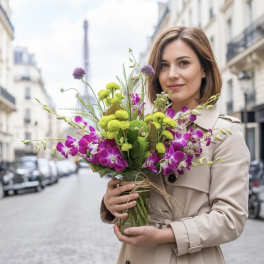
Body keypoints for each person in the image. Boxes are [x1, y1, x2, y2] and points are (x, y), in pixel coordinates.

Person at [100, 26, 250, 264]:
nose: (171, 74)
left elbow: (230, 218)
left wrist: (165, 235)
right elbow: (131, 187)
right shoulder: (138, 126)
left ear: (204, 69)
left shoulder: (224, 133)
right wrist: (111, 202)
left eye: (183, 63)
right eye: (163, 66)